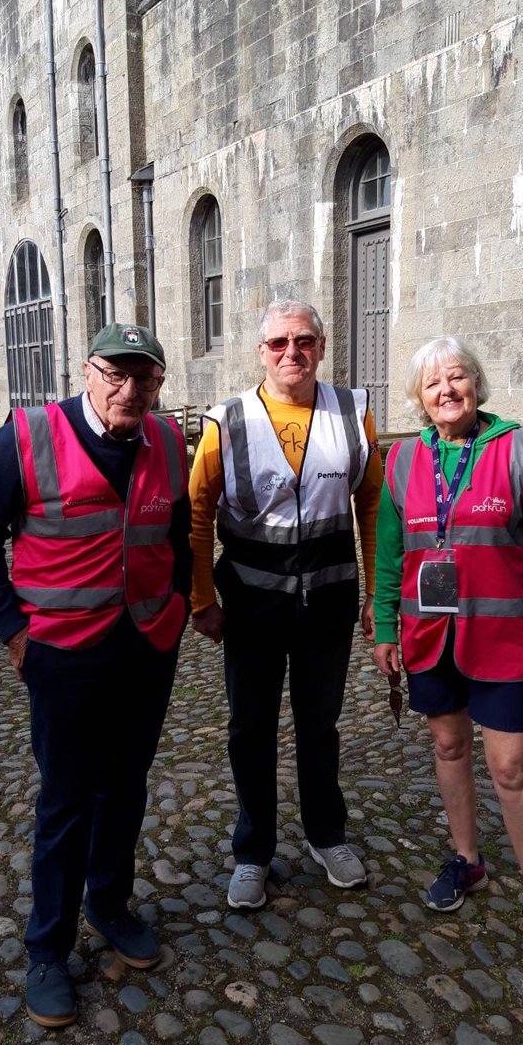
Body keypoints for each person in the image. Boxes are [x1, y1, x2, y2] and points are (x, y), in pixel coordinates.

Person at [0, 323, 191, 1026]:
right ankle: (47, 951)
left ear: (159, 384)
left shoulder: (169, 441)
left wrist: (178, 603)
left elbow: (179, 532)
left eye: (144, 378)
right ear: (86, 372)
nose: (129, 389)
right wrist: (15, 633)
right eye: (115, 374)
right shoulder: (27, 436)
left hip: (145, 645)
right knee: (66, 801)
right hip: (62, 653)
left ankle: (110, 904)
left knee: (125, 785)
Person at [372, 337, 523, 954]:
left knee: (510, 766)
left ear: (477, 384)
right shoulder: (403, 460)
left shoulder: (518, 450)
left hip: (503, 637)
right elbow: (388, 555)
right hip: (431, 637)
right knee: (449, 745)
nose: (446, 391)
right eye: (433, 383)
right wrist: (386, 628)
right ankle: (468, 859)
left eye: (456, 377)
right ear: (419, 396)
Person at [190, 300, 383, 909]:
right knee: (251, 727)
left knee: (319, 725)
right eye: (278, 343)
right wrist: (201, 599)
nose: (291, 352)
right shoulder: (228, 420)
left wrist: (377, 593)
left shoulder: (352, 412)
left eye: (303, 341)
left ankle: (327, 836)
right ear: (261, 352)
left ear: (321, 348)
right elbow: (197, 513)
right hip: (252, 605)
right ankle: (253, 851)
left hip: (328, 599)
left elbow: (373, 507)